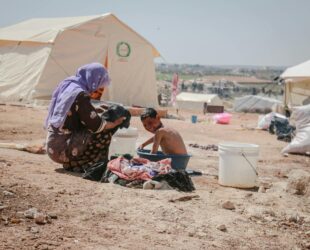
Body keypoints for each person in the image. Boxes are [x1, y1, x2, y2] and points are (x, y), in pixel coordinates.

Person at [45, 62, 126, 172]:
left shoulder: (70, 84)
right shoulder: (81, 95)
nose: (97, 89)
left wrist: (93, 109)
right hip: (62, 151)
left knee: (93, 123)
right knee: (103, 132)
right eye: (99, 85)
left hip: (52, 146)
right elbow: (96, 125)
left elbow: (74, 110)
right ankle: (83, 164)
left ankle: (74, 163)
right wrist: (113, 124)